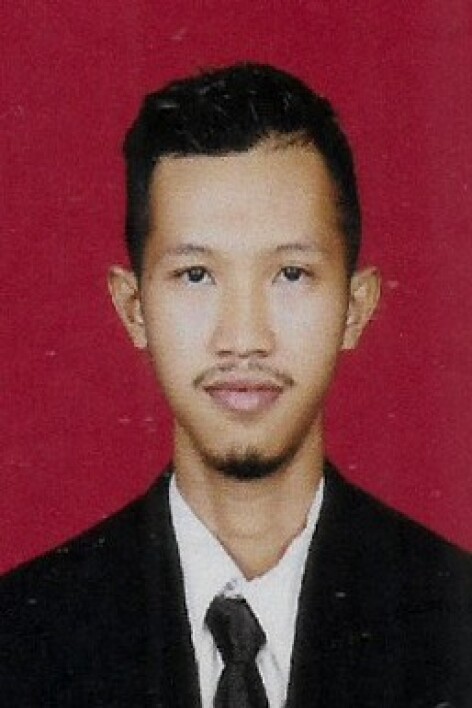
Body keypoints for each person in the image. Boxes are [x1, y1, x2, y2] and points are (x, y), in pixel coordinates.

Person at [1, 63, 471, 708]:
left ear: (355, 308)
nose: (244, 338)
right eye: (196, 275)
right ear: (134, 308)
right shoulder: (22, 638)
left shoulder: (454, 623)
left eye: (291, 274)